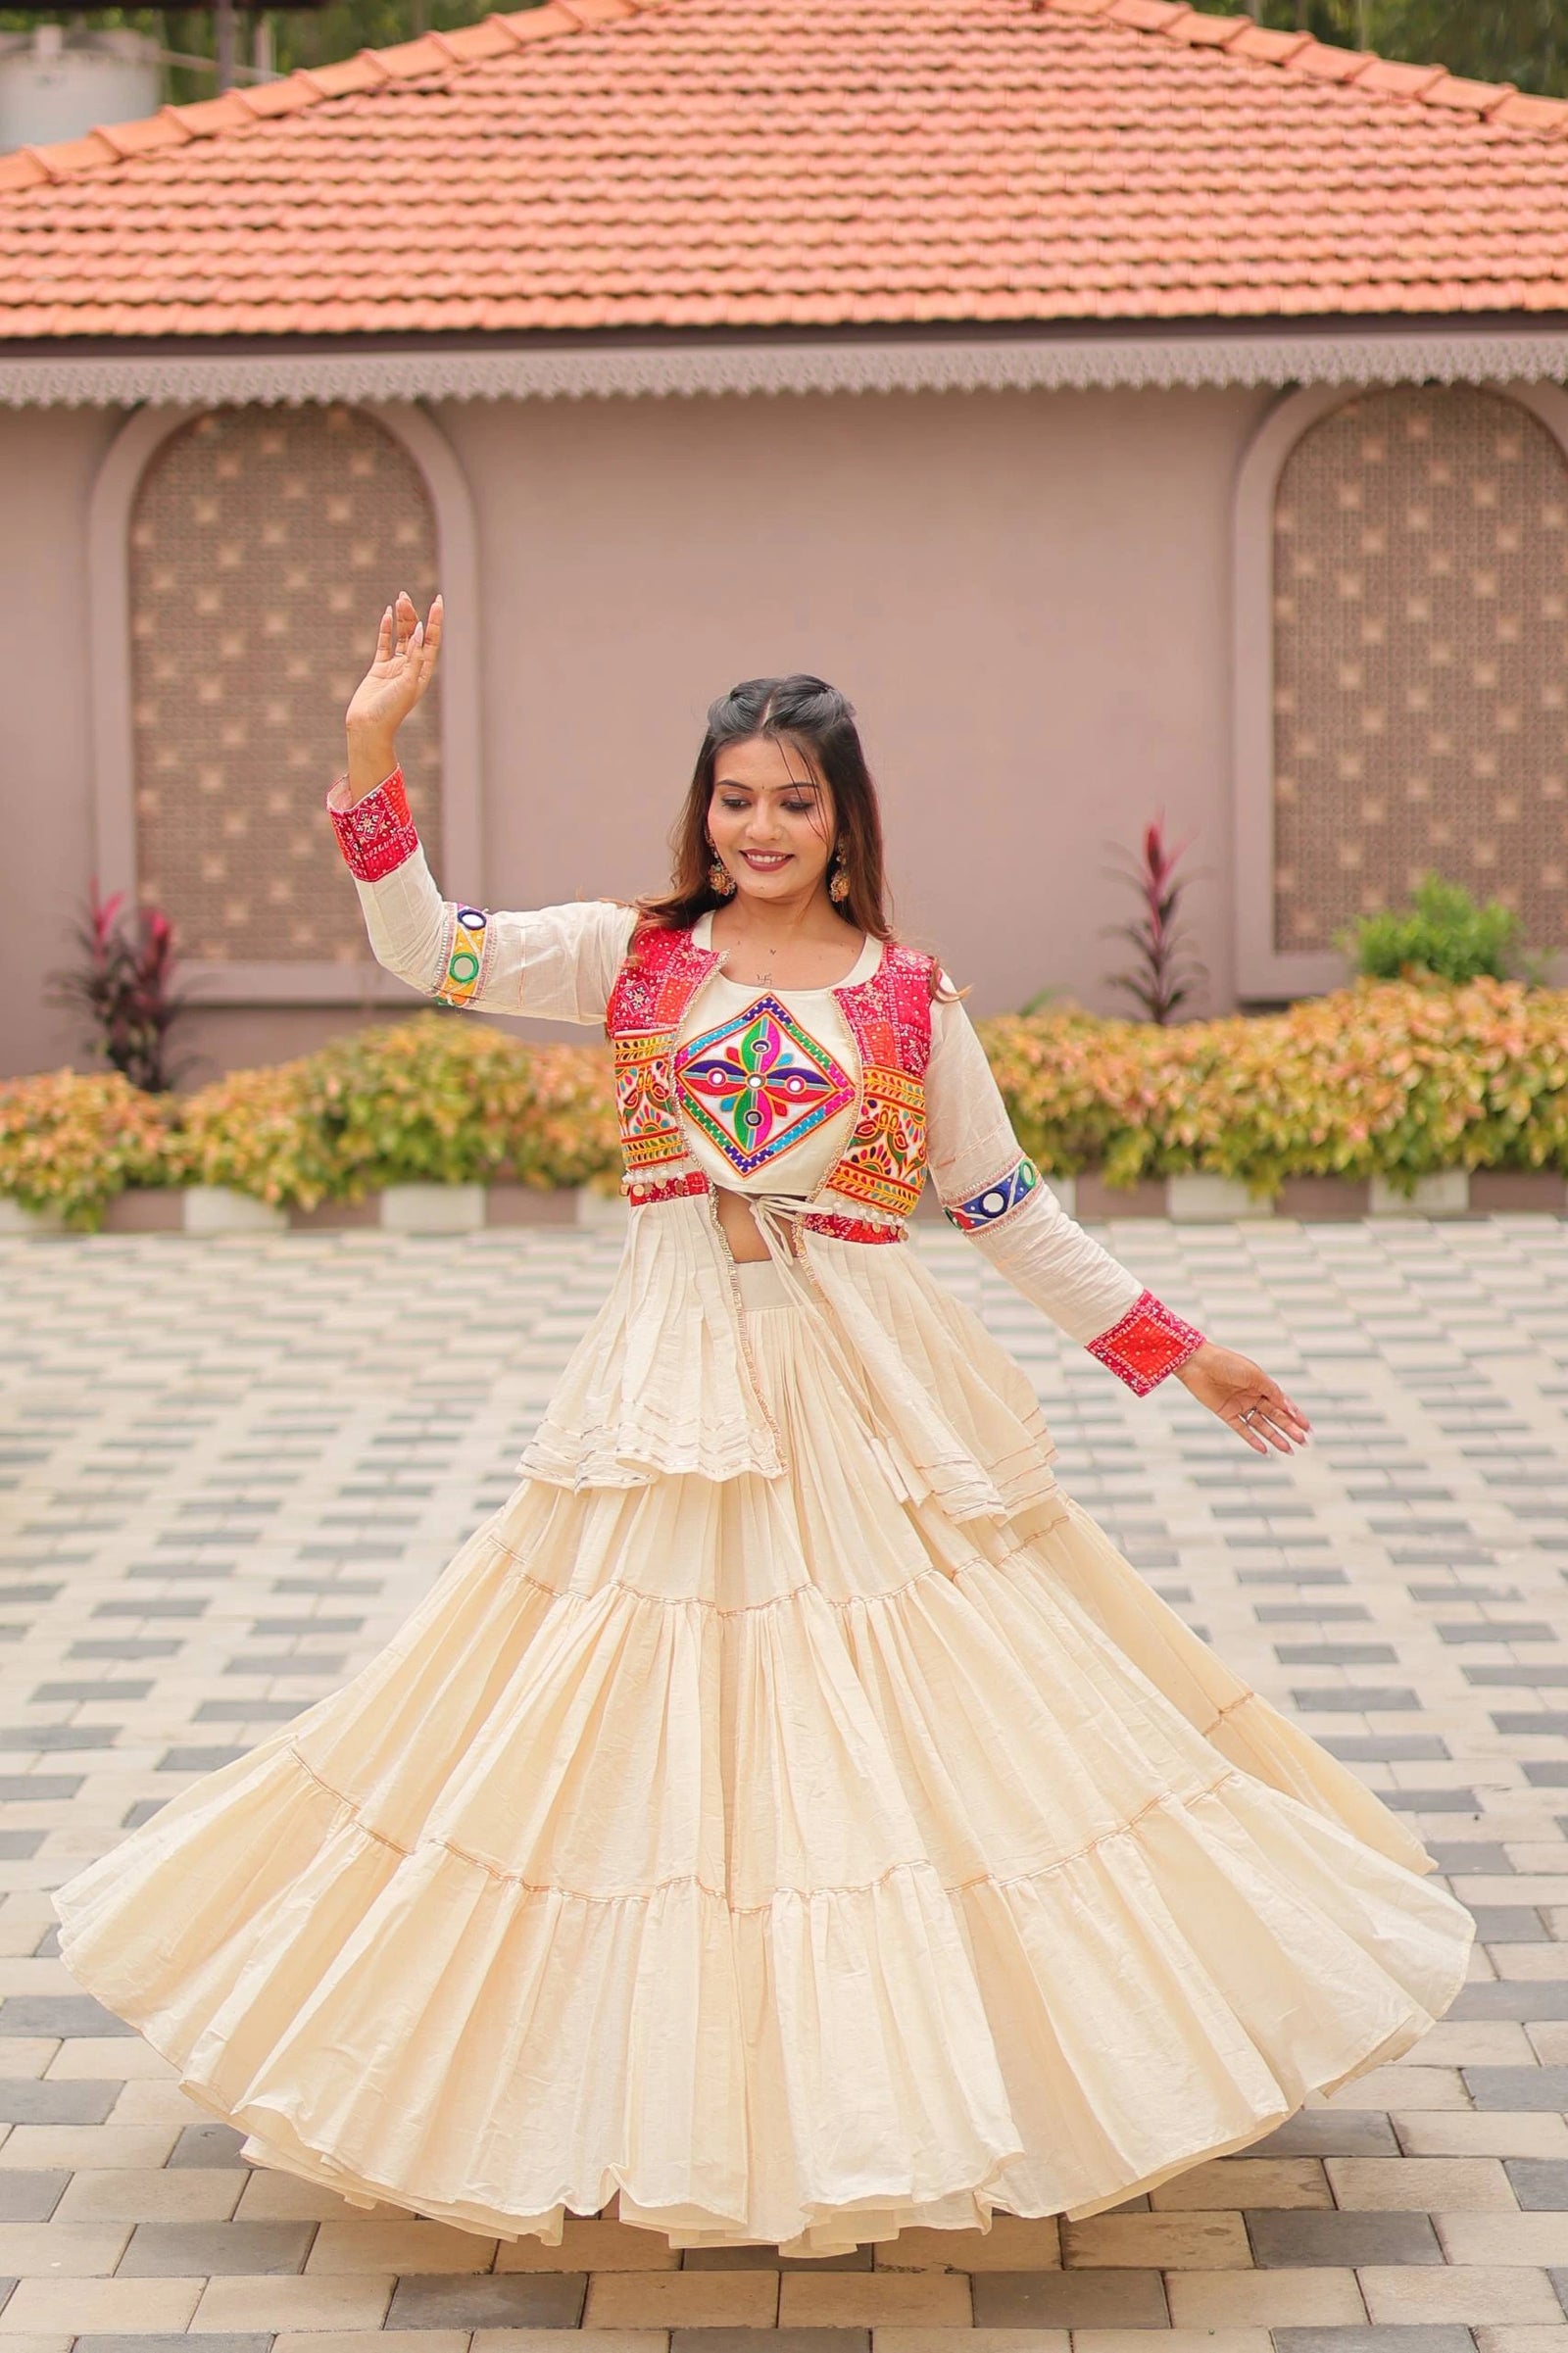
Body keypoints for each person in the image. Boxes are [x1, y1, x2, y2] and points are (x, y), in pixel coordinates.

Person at [52, 591, 1473, 2259]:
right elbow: (418, 949)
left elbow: (1007, 1209)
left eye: (796, 800)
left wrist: (1184, 1349)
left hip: (863, 1393)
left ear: (845, 817)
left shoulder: (912, 999)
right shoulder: (632, 955)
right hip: (668, 1393)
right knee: (618, 1721)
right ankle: (628, 2086)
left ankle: (905, 2086)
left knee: (895, 1727)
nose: (763, 827)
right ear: (703, 810)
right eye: (736, 797)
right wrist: (373, 749)